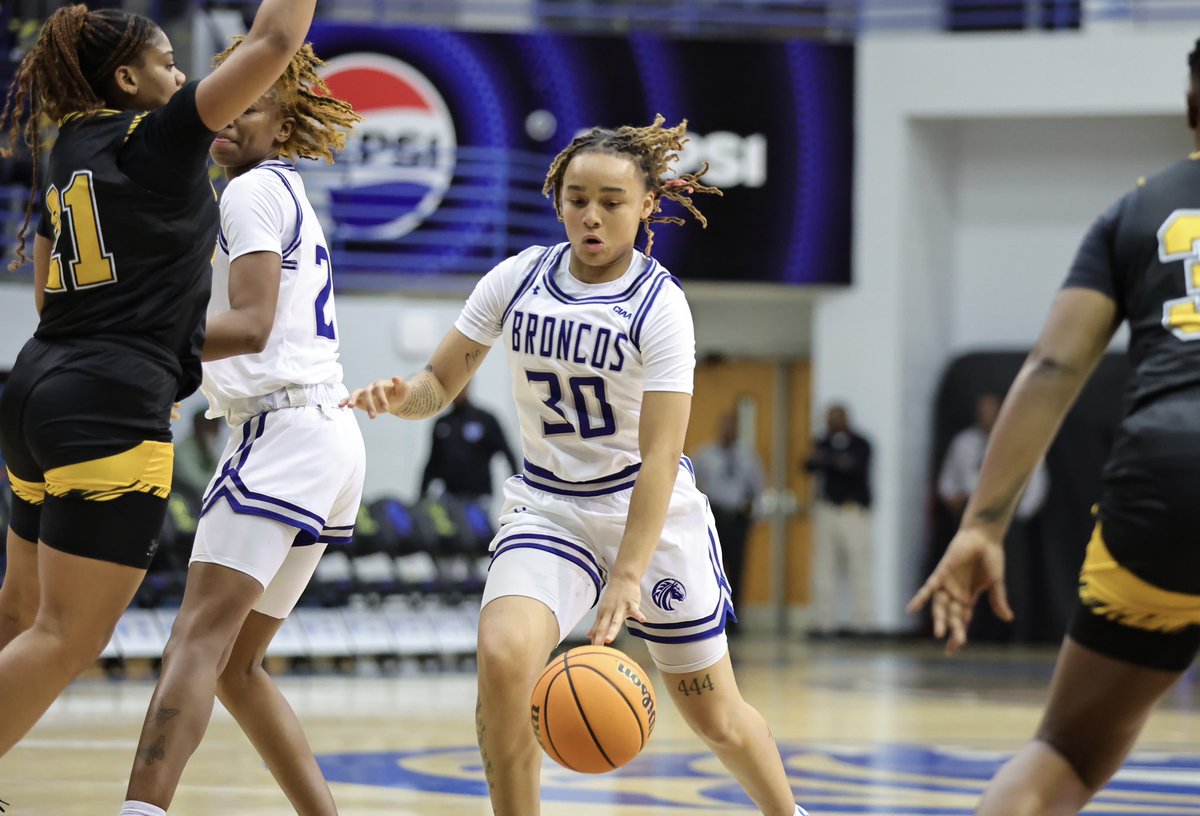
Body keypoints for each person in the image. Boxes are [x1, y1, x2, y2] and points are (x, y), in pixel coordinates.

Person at [344, 116, 808, 816]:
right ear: (557, 198)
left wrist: (627, 574)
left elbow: (660, 452)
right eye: (577, 198)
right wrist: (401, 397)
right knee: (503, 662)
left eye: (611, 202)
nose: (591, 215)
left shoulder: (660, 307)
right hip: (550, 508)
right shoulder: (516, 277)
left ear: (647, 204)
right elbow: (438, 385)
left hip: (647, 515)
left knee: (716, 716)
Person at [0, 0, 316, 761]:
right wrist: (149, 328)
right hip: (111, 404)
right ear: (128, 78)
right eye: (170, 64)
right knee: (66, 636)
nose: (182, 76)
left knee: (20, 615)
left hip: (35, 386)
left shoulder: (65, 145)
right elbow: (276, 37)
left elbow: (46, 294)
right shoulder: (166, 137)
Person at [910, 39, 1200, 816]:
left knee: (1067, 751)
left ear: (1191, 107)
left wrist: (981, 527)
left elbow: (1051, 368)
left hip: (1164, 478)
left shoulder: (1138, 209)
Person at [121, 41, 363, 816]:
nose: (226, 118)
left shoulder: (252, 192)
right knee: (236, 665)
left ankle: (139, 811)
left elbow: (253, 326)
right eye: (223, 102)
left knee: (195, 638)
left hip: (285, 434)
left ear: (284, 118)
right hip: (324, 434)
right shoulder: (281, 191)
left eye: (250, 105)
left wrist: (150, 338)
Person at [691, 411, 763, 635]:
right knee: (711, 569)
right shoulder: (704, 454)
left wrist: (755, 516)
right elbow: (690, 485)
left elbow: (757, 488)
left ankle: (735, 619)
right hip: (714, 517)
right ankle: (712, 616)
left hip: (738, 518)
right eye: (724, 426)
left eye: (732, 426)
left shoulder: (748, 457)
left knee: (737, 569)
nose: (727, 431)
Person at [804, 403, 872, 636]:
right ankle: (825, 623)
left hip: (852, 511)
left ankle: (863, 623)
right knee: (824, 568)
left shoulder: (861, 443)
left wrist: (829, 460)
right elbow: (808, 464)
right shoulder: (822, 442)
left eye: (836, 417)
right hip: (827, 510)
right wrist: (834, 460)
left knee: (859, 566)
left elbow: (854, 467)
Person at [938, 392, 1048, 522]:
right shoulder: (963, 442)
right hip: (969, 518)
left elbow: (1036, 483)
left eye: (990, 410)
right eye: (982, 410)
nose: (986, 415)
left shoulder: (1021, 443)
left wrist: (1017, 513)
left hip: (1006, 520)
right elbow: (947, 481)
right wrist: (953, 498)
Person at [420, 381, 518, 501]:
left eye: (461, 385)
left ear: (468, 385)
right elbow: (432, 462)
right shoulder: (443, 423)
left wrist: (516, 493)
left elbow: (508, 454)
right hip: (448, 497)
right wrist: (421, 496)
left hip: (479, 498)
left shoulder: (485, 420)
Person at [172, 408, 224, 499]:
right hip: (183, 500)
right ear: (198, 427)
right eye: (211, 426)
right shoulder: (183, 450)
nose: (216, 431)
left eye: (217, 426)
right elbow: (197, 481)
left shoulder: (208, 448)